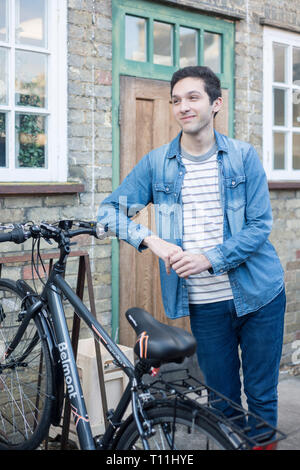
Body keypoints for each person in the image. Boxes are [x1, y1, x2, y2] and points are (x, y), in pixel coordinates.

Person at [98, 66, 285, 441]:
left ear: (216, 104)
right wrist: (153, 241)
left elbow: (258, 227)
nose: (183, 106)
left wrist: (209, 258)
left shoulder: (242, 157)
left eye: (193, 97)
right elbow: (107, 212)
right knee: (221, 402)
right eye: (176, 100)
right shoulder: (156, 164)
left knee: (262, 397)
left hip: (260, 296)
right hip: (206, 305)